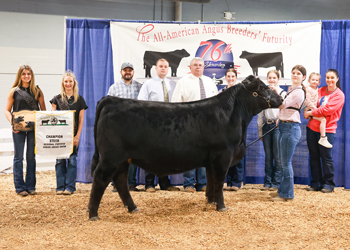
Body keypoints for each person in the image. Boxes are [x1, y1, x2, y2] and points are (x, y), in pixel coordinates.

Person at [171, 57, 218, 192]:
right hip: (189, 123)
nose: (198, 67)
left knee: (205, 155)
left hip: (208, 125)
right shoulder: (183, 82)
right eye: (195, 65)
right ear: (190, 67)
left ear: (204, 67)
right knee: (189, 154)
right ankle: (189, 184)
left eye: (200, 65)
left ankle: (203, 184)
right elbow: (176, 103)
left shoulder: (210, 82)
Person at [137, 58, 180, 192]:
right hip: (152, 125)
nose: (163, 69)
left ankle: (165, 183)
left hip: (168, 125)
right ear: (155, 68)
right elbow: (141, 104)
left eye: (165, 67)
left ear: (168, 69)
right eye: (160, 66)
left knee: (167, 154)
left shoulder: (173, 84)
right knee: (150, 154)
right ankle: (149, 184)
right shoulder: (148, 84)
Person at [5, 65, 46, 196]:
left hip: (33, 128)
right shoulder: (14, 91)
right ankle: (20, 187)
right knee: (18, 157)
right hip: (18, 128)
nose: (26, 76)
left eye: (28, 74)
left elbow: (43, 110)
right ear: (20, 76)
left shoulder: (37, 91)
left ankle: (30, 186)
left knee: (31, 157)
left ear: (31, 75)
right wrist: (13, 122)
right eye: (24, 74)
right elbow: (7, 110)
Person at [304, 69, 344, 193]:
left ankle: (329, 184)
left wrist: (310, 113)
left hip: (328, 130)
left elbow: (326, 110)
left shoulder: (339, 95)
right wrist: (309, 112)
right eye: (327, 77)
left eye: (332, 77)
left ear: (337, 79)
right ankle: (316, 183)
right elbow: (311, 103)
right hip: (312, 128)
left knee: (326, 157)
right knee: (314, 156)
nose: (330, 80)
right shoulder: (320, 90)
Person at [270, 65, 306, 202]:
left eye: (298, 73)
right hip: (285, 126)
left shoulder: (299, 92)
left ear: (303, 77)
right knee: (283, 161)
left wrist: (275, 91)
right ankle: (282, 190)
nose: (295, 75)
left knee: (285, 163)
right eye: (293, 73)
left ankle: (287, 194)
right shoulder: (292, 90)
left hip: (290, 128)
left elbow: (282, 104)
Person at [50, 70, 88, 195]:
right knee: (60, 161)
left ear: (74, 83)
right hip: (59, 136)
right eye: (66, 81)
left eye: (70, 81)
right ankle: (60, 187)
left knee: (72, 161)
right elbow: (52, 118)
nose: (68, 84)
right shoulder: (56, 99)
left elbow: (81, 120)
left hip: (73, 136)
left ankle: (70, 187)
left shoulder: (80, 100)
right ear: (63, 83)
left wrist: (78, 136)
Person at [107, 62, 142, 191]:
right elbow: (109, 108)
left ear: (133, 72)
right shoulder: (114, 88)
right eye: (125, 70)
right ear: (121, 72)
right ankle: (117, 183)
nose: (127, 72)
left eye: (130, 70)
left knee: (133, 156)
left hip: (135, 127)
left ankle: (131, 183)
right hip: (119, 127)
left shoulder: (140, 87)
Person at [257, 70, 285, 192]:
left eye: (274, 78)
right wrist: (259, 131)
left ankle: (276, 182)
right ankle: (267, 182)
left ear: (278, 79)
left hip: (278, 126)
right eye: (270, 77)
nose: (272, 80)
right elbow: (260, 113)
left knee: (277, 156)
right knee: (268, 156)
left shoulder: (283, 93)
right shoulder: (264, 94)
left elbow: (285, 108)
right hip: (267, 126)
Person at [220, 68, 243, 191]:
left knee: (237, 154)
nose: (230, 78)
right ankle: (228, 183)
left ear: (236, 77)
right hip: (224, 128)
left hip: (237, 127)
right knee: (226, 155)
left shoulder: (240, 93)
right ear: (225, 78)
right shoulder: (221, 92)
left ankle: (236, 183)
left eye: (232, 76)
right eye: (228, 76)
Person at [305, 73, 332, 148]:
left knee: (323, 119)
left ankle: (322, 137)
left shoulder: (317, 90)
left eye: (316, 80)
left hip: (313, 110)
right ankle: (323, 138)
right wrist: (315, 110)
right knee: (323, 119)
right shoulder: (307, 89)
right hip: (309, 109)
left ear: (319, 82)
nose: (314, 81)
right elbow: (308, 101)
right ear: (309, 80)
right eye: (313, 80)